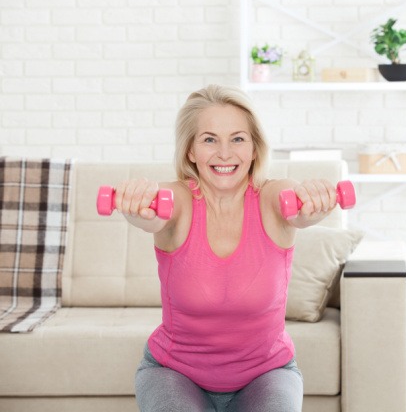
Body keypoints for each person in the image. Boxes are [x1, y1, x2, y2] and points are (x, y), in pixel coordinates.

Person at [116, 84, 339, 412]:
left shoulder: (273, 197)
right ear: (191, 150)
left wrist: (314, 205)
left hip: (267, 374)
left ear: (253, 148)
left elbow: (298, 213)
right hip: (174, 373)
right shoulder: (175, 200)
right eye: (209, 139)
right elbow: (153, 218)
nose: (224, 153)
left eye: (237, 139)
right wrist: (134, 206)